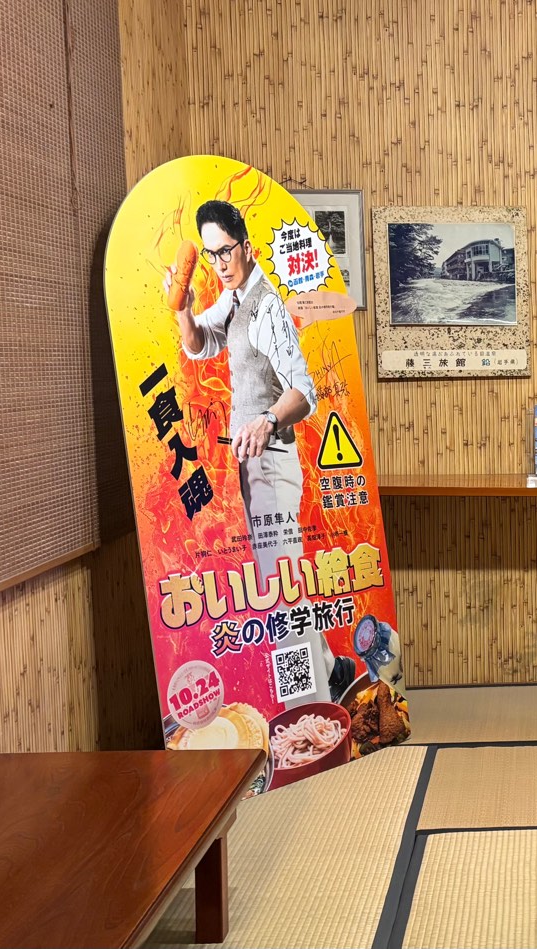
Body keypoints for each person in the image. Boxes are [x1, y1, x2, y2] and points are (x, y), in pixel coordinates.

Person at [166, 199, 357, 704]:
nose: (219, 263)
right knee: (284, 580)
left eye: (226, 251)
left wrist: (268, 419)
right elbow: (200, 343)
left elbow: (303, 392)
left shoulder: (267, 307)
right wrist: (182, 308)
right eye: (210, 254)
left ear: (247, 248)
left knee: (279, 592)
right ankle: (334, 670)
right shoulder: (234, 298)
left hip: (272, 464)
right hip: (255, 465)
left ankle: (306, 711)